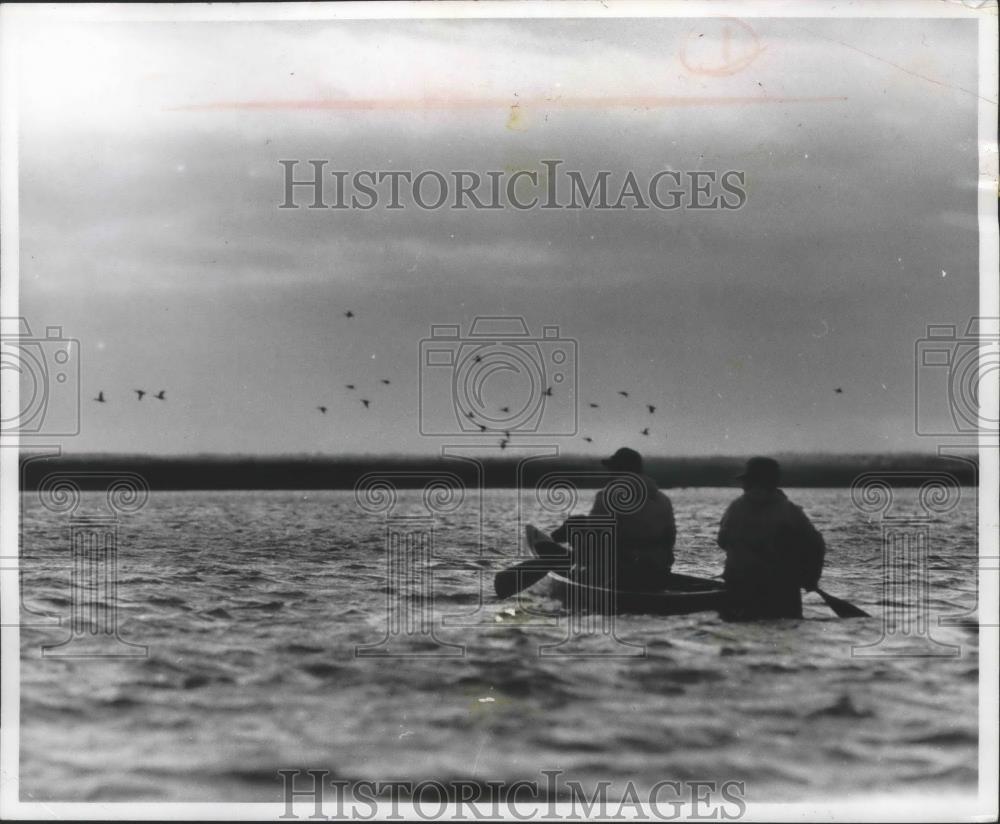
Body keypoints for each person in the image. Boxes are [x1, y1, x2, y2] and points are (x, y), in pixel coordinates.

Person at [551, 447, 676, 590]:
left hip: (620, 576)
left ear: (620, 470)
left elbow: (595, 537)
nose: (608, 473)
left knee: (577, 525)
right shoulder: (663, 500)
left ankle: (579, 573)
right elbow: (670, 540)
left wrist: (575, 545)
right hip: (657, 574)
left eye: (612, 469)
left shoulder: (607, 496)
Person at [716, 457, 825, 620]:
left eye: (746, 481)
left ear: (751, 483)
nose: (743, 486)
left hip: (738, 586)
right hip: (781, 590)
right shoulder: (789, 510)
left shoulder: (735, 507)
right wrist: (811, 578)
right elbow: (817, 545)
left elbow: (722, 541)